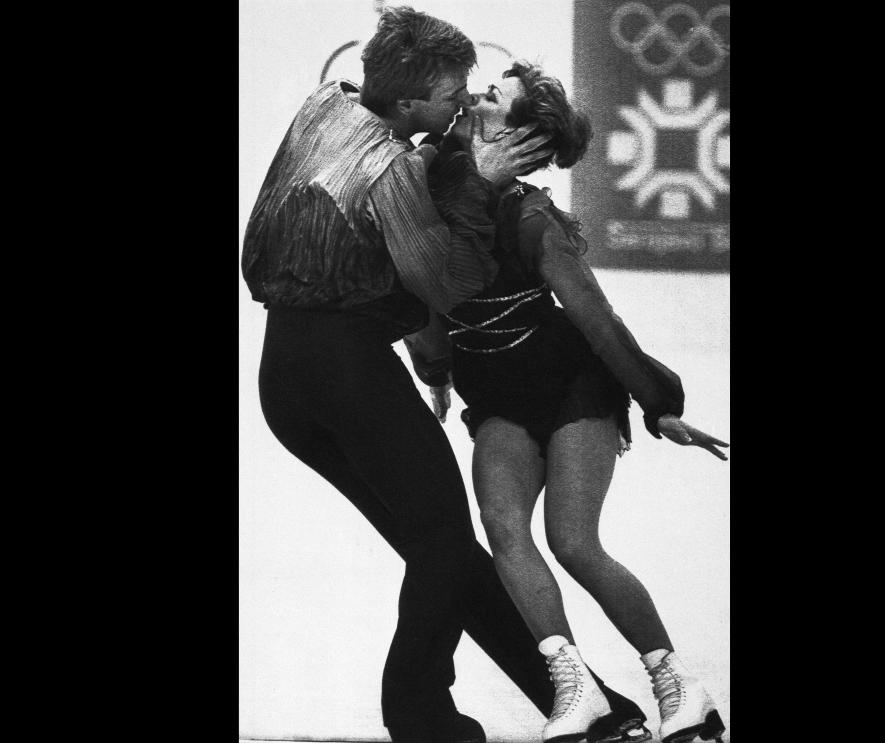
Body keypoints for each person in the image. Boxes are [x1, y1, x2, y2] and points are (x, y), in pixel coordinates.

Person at [242, 7, 652, 743]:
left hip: (284, 378)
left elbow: (396, 260)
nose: (464, 101)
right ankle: (420, 713)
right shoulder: (397, 169)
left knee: (445, 550)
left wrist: (432, 361)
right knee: (441, 539)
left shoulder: (325, 106)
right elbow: (452, 281)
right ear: (405, 104)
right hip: (346, 373)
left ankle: (580, 700)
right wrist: (478, 180)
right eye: (452, 91)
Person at [411, 61, 729, 743]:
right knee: (502, 531)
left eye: (496, 95)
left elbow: (596, 319)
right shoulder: (429, 183)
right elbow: (419, 294)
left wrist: (656, 399)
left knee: (574, 542)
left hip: (570, 385)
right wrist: (434, 368)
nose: (476, 95)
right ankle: (574, 687)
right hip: (496, 390)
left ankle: (682, 687)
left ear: (521, 137)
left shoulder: (528, 215)